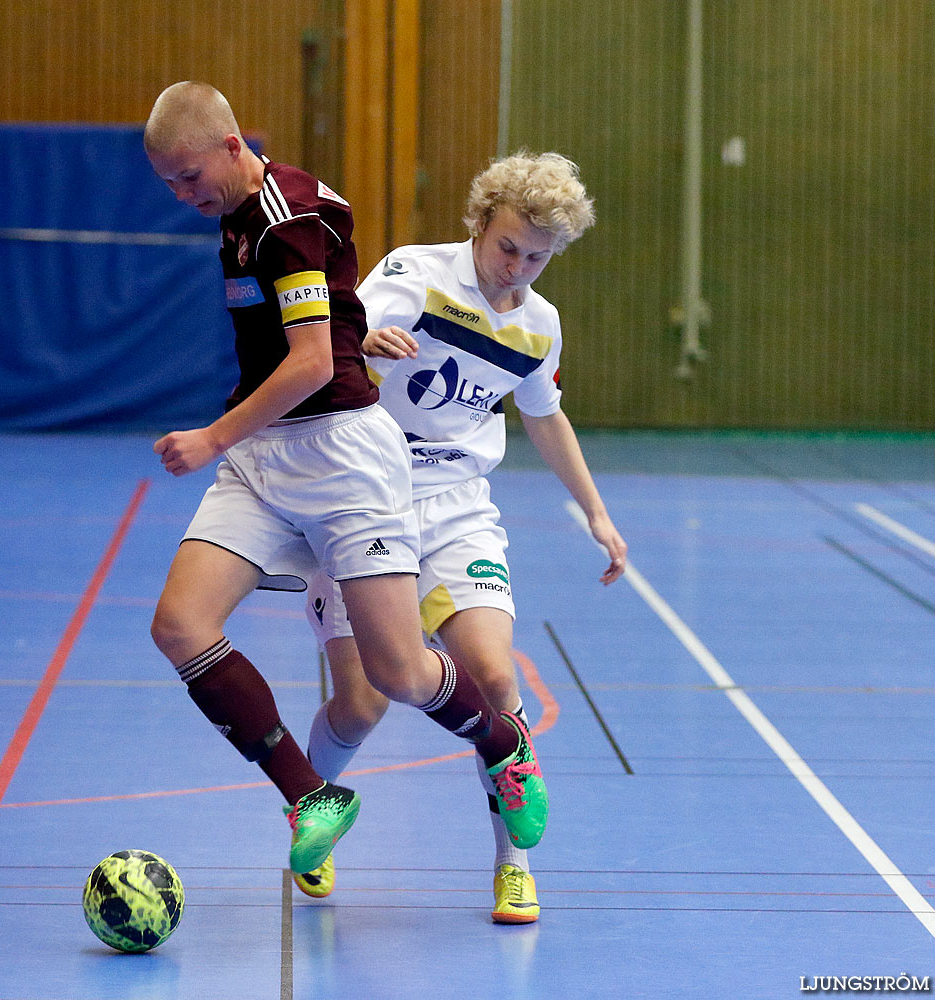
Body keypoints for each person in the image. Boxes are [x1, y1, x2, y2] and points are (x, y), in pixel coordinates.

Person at [141, 82, 549, 877]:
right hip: (267, 456)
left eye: (189, 177)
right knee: (180, 625)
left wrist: (210, 439)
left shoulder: (285, 222)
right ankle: (311, 796)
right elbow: (332, 322)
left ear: (233, 147)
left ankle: (504, 745)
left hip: (341, 456)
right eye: (168, 184)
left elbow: (312, 363)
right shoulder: (236, 213)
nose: (182, 195)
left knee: (396, 673)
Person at [291, 152, 627, 924]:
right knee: (362, 702)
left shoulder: (539, 324)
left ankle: (515, 866)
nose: (518, 268)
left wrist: (597, 514)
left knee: (495, 680)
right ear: (480, 224)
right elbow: (336, 335)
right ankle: (309, 806)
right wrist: (365, 346)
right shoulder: (416, 274)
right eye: (509, 247)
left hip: (457, 505)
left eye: (537, 258)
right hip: (365, 496)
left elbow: (543, 414)